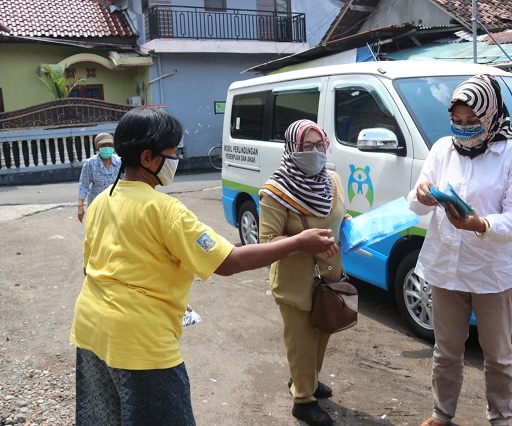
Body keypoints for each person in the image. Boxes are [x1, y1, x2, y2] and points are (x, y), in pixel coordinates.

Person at [69, 108, 336, 426]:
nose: (176, 159)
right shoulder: (166, 210)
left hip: (89, 329)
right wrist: (298, 242)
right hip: (141, 342)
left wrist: (166, 292)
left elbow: (98, 267)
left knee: (108, 419)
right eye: (172, 153)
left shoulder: (102, 201)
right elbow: (229, 262)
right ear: (148, 158)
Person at [407, 74, 512, 426]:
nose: (463, 129)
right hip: (446, 266)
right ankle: (441, 414)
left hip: (495, 273)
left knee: (497, 356)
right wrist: (420, 193)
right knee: (446, 351)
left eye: (472, 122)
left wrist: (481, 225)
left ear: (492, 115)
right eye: (457, 122)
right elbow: (415, 203)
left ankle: (500, 420)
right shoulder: (442, 149)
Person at [259, 119, 347, 426]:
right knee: (302, 342)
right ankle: (303, 400)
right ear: (291, 149)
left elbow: (339, 218)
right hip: (295, 284)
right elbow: (266, 241)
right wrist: (304, 244)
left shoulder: (333, 180)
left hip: (329, 277)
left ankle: (306, 379)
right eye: (305, 147)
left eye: (318, 145)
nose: (313, 152)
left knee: (323, 332)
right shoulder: (276, 190)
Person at [77, 132, 121, 222]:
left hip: (117, 203)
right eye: (104, 145)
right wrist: (80, 207)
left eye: (109, 145)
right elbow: (84, 185)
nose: (107, 147)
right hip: (97, 204)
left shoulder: (119, 162)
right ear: (98, 147)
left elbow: (127, 182)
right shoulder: (90, 163)